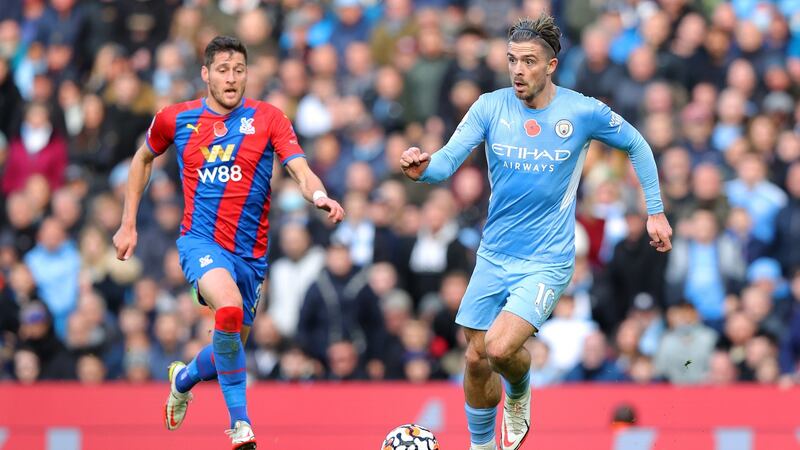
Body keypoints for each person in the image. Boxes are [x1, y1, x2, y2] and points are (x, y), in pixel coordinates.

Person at [399, 15, 672, 450]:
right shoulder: (490, 106)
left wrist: (654, 211)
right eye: (511, 60)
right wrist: (422, 167)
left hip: (547, 259)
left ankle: (521, 394)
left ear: (551, 66)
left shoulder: (581, 111)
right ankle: (482, 446)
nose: (518, 70)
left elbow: (637, 143)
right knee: (475, 358)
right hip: (494, 254)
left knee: (501, 348)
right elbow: (447, 162)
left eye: (529, 61)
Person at [113, 36, 344, 450]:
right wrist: (128, 223)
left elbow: (300, 169)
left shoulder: (269, 117)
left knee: (228, 350)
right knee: (230, 309)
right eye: (222, 70)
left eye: (239, 69)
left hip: (250, 258)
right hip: (200, 242)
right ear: (205, 74)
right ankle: (240, 426)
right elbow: (142, 159)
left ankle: (183, 379)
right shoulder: (176, 119)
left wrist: (319, 195)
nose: (232, 78)